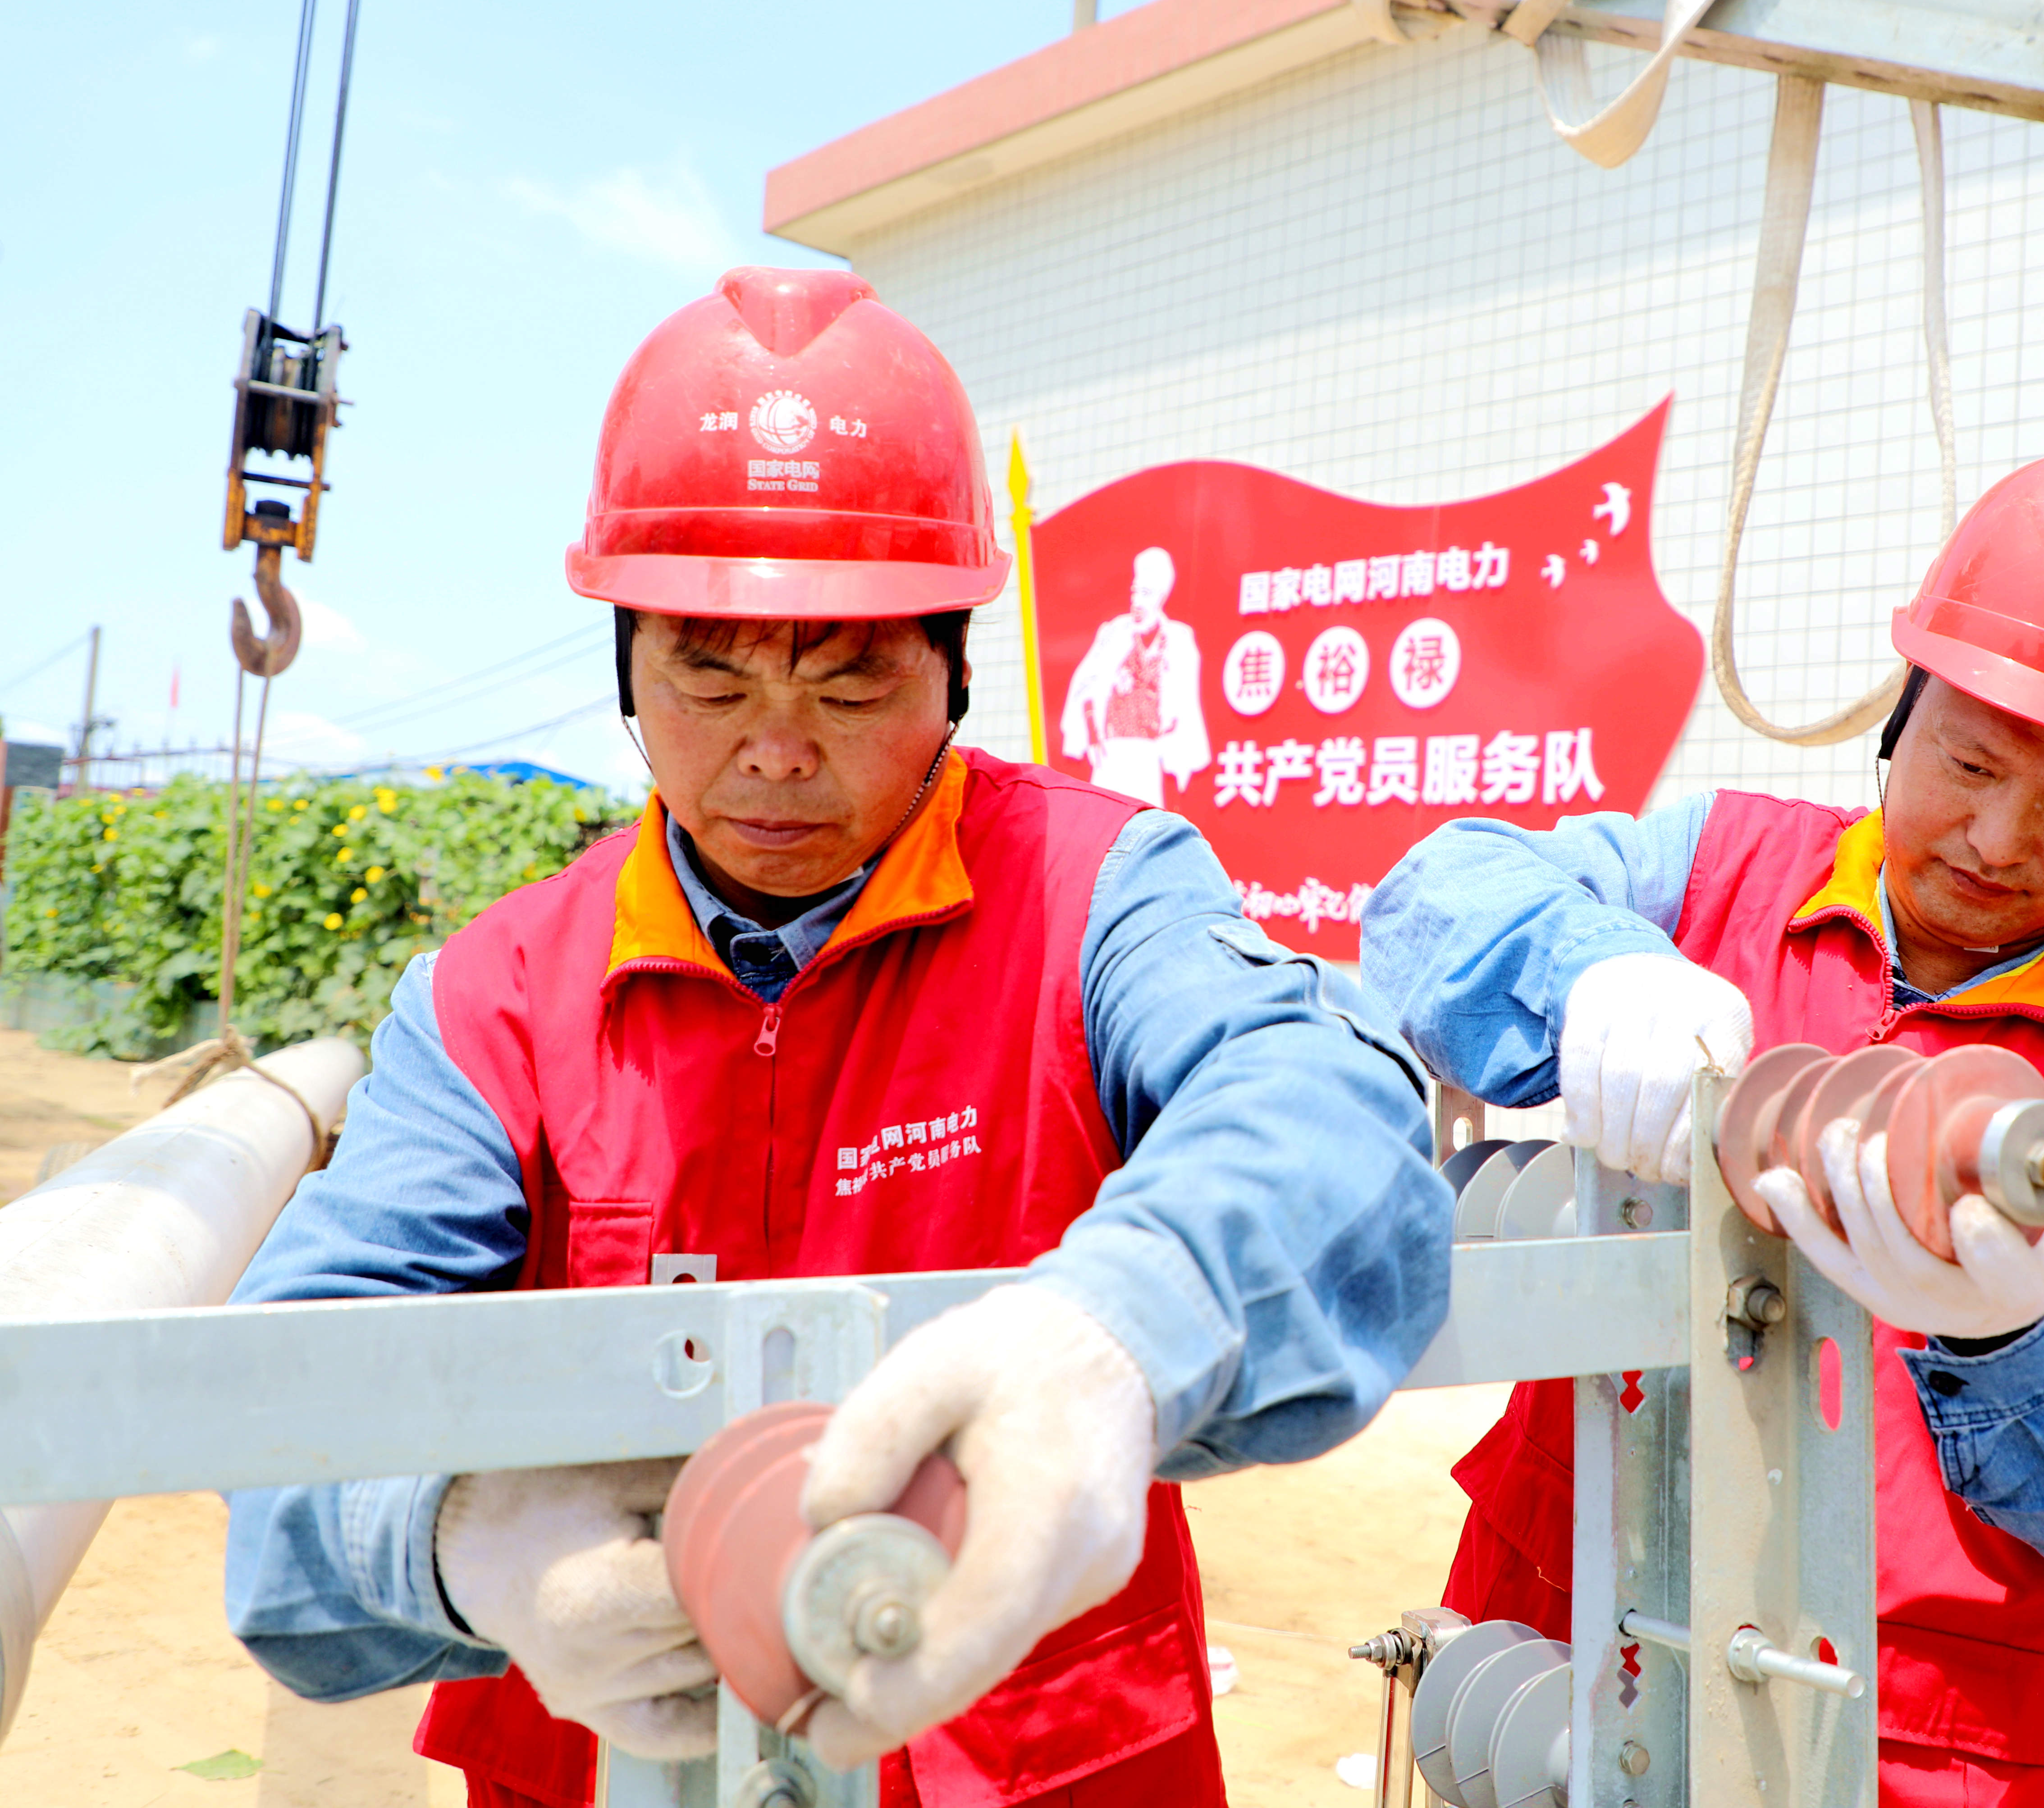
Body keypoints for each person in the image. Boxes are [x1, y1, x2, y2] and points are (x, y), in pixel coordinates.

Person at [220, 268, 1450, 1808]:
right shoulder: (497, 996)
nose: (777, 747)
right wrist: (458, 1537)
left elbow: (1324, 1105)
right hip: (606, 1761)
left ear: (954, 670)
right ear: (624, 665)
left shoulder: (1095, 892)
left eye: (852, 677)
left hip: (1027, 1753)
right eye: (708, 672)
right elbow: (283, 1390)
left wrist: (1118, 1329)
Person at [1362, 436, 2044, 1807]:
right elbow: (1436, 898)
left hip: (1910, 1732)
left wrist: (2030, 1330)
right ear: (1905, 712)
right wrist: (1592, 972)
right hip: (1564, 1648)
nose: (1997, 840)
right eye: (1968, 764)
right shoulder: (1723, 871)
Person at [1059, 544, 1208, 807]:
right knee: (1102, 818)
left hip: (1148, 755)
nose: (1137, 602)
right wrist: (1093, 736)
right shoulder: (1114, 633)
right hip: (1110, 751)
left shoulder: (1178, 640)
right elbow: (1085, 687)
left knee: (1147, 821)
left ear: (1161, 597)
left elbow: (1187, 702)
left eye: (1146, 594)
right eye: (1135, 592)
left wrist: (1172, 741)